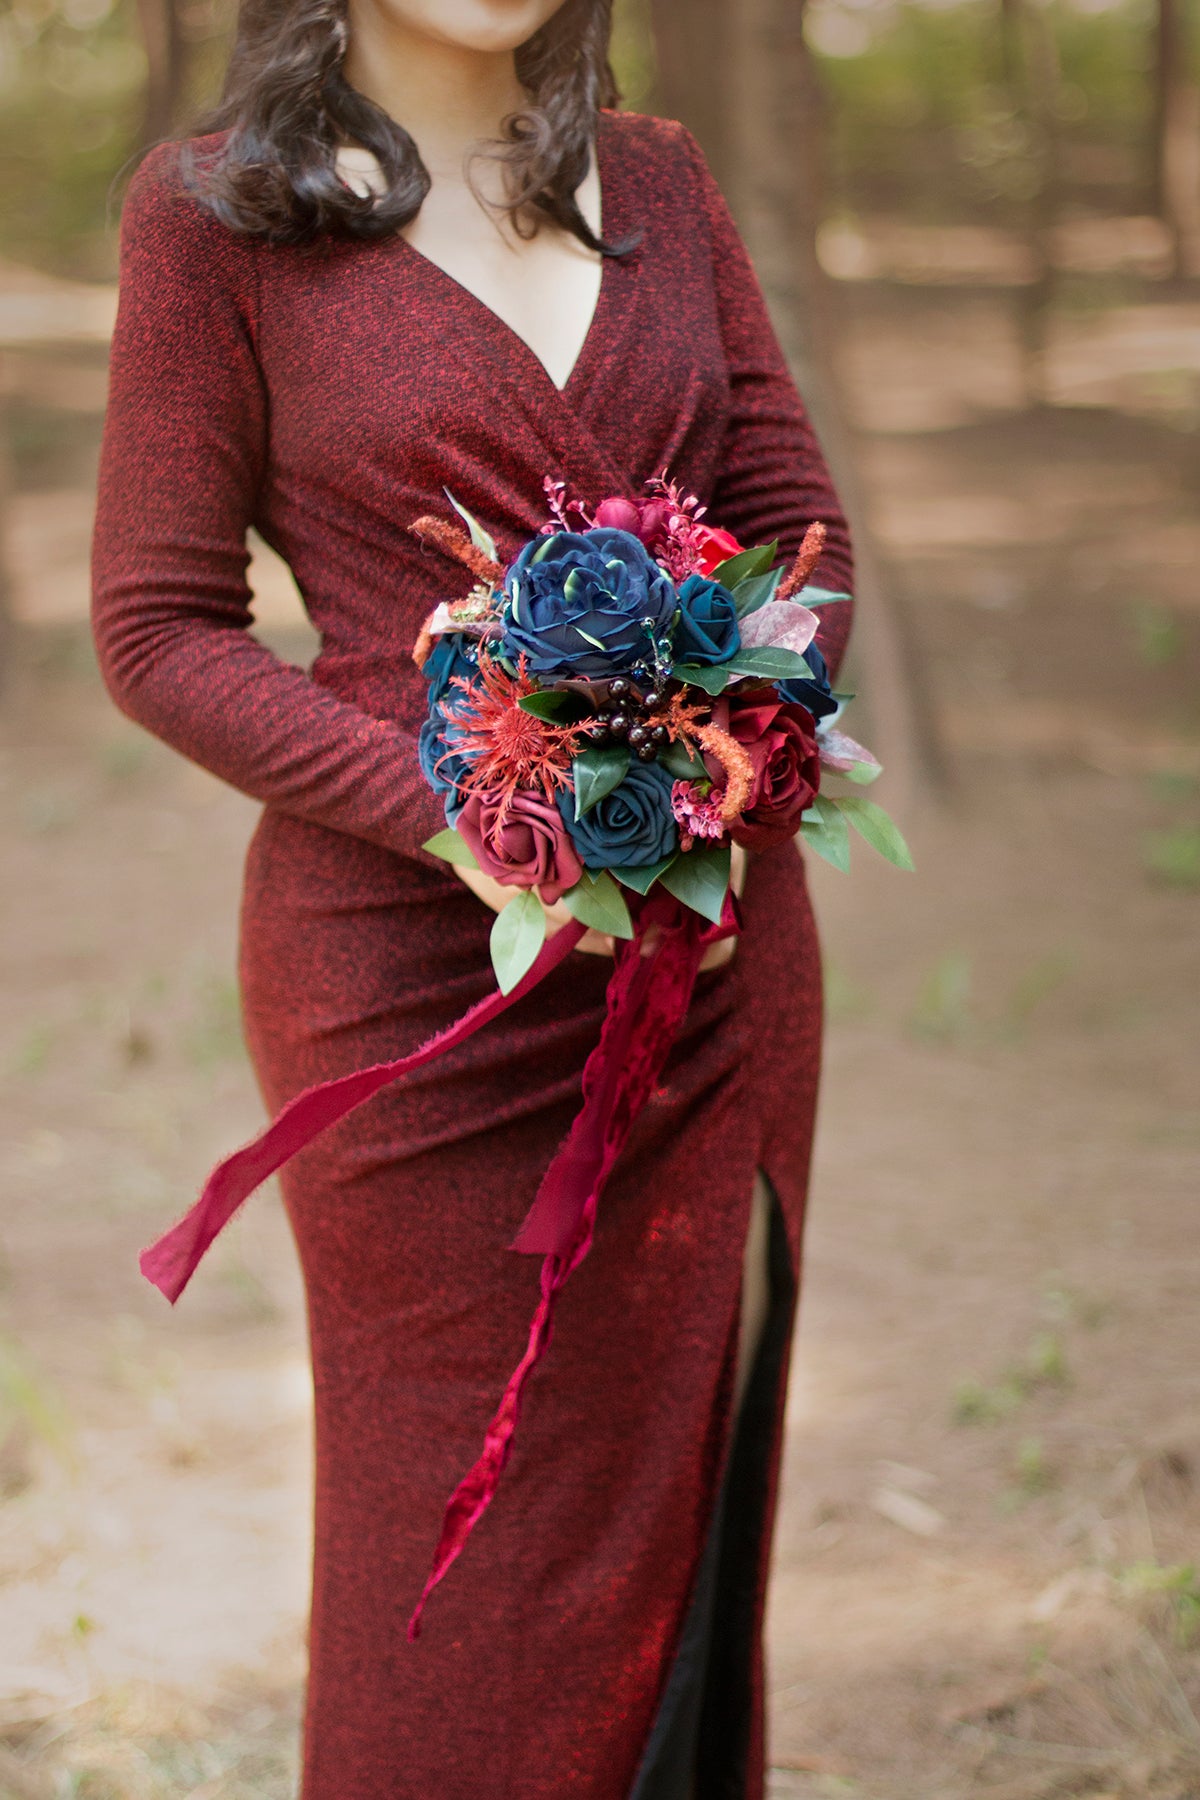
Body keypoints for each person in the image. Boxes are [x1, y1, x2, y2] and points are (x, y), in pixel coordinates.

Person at [90, 0, 855, 1793]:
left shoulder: (659, 175)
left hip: (707, 964)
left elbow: (794, 523)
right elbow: (156, 628)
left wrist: (721, 725)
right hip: (415, 1000)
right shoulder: (213, 215)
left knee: (681, 1500)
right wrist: (465, 807)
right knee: (461, 1554)